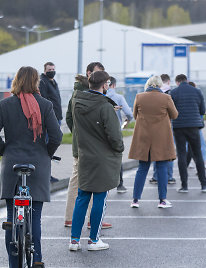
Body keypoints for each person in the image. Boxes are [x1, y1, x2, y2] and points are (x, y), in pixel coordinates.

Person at [0, 66, 63, 268]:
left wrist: (4, 149)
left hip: (12, 164)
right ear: (36, 82)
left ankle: (14, 264)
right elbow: (57, 136)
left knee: (12, 217)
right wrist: (46, 153)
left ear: (16, 81)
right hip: (37, 166)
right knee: (35, 216)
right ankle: (36, 259)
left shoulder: (6, 104)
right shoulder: (45, 105)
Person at [69, 70, 124, 251]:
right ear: (104, 85)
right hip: (103, 158)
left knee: (82, 197)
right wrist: (119, 148)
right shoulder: (105, 106)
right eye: (107, 83)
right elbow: (114, 137)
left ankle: (74, 240)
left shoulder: (77, 101)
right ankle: (93, 240)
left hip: (85, 155)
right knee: (100, 197)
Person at [64, 62, 112, 230]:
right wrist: (79, 133)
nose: (102, 79)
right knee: (84, 181)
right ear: (89, 73)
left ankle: (81, 219)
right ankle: (87, 219)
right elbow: (69, 117)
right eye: (99, 74)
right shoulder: (81, 92)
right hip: (87, 146)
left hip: (85, 144)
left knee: (80, 180)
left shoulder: (82, 91)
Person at [128, 76, 178, 208]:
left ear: (148, 84)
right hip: (161, 138)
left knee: (142, 168)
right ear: (160, 85)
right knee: (162, 168)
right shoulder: (166, 98)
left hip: (143, 137)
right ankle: (162, 200)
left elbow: (134, 115)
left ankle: (135, 200)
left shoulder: (139, 97)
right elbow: (174, 115)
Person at [170, 74, 206, 193]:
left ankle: (184, 186)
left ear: (177, 82)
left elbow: (171, 111)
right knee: (197, 154)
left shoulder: (173, 93)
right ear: (186, 81)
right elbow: (202, 110)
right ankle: (204, 184)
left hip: (179, 127)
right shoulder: (197, 91)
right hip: (194, 126)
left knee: (182, 155)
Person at [149, 74, 178, 185]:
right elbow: (174, 113)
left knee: (156, 152)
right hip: (167, 127)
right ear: (168, 82)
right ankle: (169, 176)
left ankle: (156, 176)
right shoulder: (170, 94)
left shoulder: (150, 95)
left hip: (153, 129)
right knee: (169, 152)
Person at [106, 76, 133, 193]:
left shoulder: (100, 97)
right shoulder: (118, 97)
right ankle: (120, 184)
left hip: (101, 132)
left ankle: (104, 184)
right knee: (117, 157)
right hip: (116, 130)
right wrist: (126, 122)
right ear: (114, 85)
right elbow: (128, 113)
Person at [39, 62, 63, 183]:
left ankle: (47, 174)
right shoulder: (42, 82)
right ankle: (45, 175)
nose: (52, 71)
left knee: (51, 147)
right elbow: (44, 100)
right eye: (49, 69)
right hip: (49, 119)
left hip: (56, 117)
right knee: (47, 147)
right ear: (44, 70)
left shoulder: (53, 82)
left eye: (53, 69)